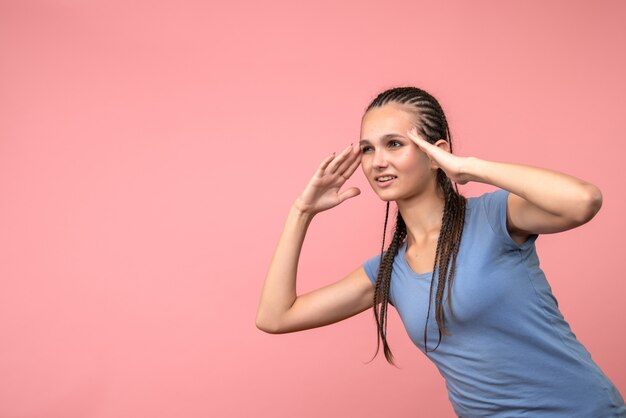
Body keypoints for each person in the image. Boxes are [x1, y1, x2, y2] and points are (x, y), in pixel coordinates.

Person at [255, 86, 626, 417]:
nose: (377, 161)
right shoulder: (388, 272)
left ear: (435, 154)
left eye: (394, 144)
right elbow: (275, 317)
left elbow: (583, 200)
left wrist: (467, 169)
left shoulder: (494, 218)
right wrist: (301, 212)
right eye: (367, 149)